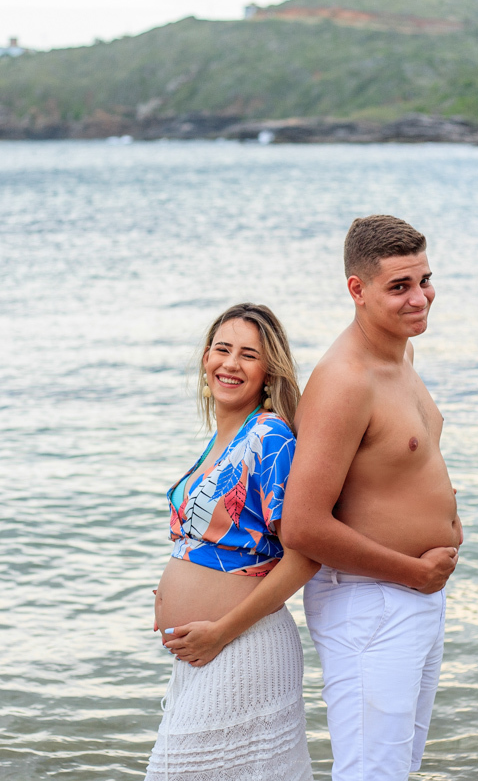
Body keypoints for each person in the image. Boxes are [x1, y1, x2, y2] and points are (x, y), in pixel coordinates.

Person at [281, 215, 464, 781]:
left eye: (425, 280)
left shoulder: (400, 356)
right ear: (357, 289)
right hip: (371, 601)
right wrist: (413, 571)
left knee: (396, 768)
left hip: (413, 594)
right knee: (371, 773)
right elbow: (302, 525)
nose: (420, 298)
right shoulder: (345, 381)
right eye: (400, 286)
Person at [145, 302, 318, 781]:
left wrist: (221, 630)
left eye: (248, 355)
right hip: (206, 651)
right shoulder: (222, 440)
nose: (231, 363)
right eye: (222, 349)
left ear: (268, 372)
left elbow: (304, 557)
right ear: (206, 358)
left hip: (243, 644)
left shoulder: (271, 437)